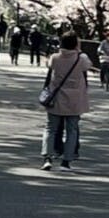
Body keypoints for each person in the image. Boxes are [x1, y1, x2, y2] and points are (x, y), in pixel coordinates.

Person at [40, 31, 92, 172]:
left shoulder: (55, 57)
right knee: (72, 130)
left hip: (56, 98)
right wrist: (78, 50)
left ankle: (47, 158)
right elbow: (88, 66)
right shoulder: (81, 58)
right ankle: (66, 162)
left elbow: (49, 65)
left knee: (51, 128)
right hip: (75, 100)